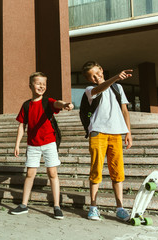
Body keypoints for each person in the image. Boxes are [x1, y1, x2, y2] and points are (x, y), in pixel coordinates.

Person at [11, 72, 74, 219]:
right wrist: (17, 144)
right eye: (38, 83)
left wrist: (65, 104)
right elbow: (22, 125)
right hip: (32, 145)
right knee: (30, 174)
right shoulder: (26, 105)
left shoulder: (47, 101)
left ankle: (57, 206)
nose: (41, 86)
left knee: (52, 174)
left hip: (49, 143)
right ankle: (24, 205)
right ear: (30, 85)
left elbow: (57, 103)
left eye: (44, 84)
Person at [82, 61, 133, 221]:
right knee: (96, 170)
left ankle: (120, 208)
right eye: (92, 76)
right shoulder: (90, 90)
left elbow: (124, 110)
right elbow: (99, 88)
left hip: (116, 133)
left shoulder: (118, 88)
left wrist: (128, 132)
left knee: (117, 172)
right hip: (98, 132)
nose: (96, 77)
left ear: (102, 70)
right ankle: (93, 207)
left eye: (98, 73)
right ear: (90, 79)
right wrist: (116, 77)